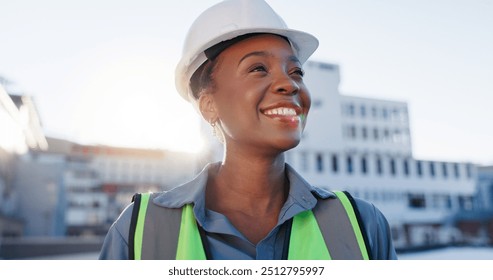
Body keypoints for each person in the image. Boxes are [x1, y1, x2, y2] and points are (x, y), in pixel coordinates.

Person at [99, 0, 397, 260]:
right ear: (209, 106)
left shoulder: (362, 225)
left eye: (296, 72)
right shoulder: (140, 231)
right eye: (258, 69)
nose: (290, 84)